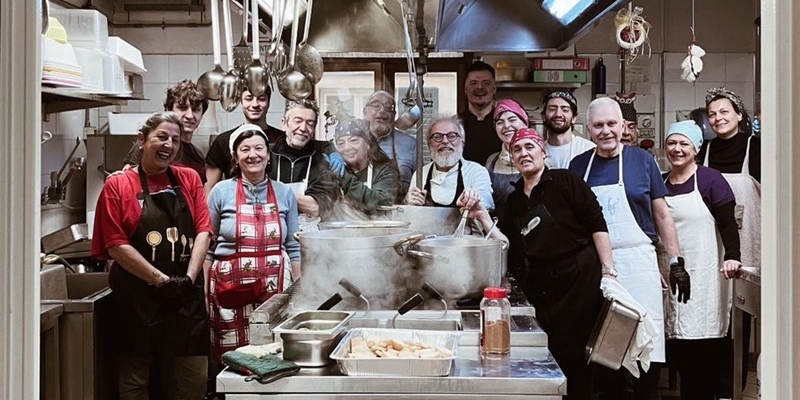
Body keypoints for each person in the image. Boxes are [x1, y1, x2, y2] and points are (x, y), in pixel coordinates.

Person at [470, 127, 611, 400]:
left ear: (543, 152)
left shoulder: (566, 181)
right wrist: (483, 219)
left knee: (578, 356)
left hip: (579, 279)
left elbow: (597, 224)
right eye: (517, 149)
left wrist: (609, 271)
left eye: (529, 147)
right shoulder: (513, 200)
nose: (523, 153)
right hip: (543, 287)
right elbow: (508, 242)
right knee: (551, 353)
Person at [569, 97, 685, 400]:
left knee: (646, 345)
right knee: (607, 349)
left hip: (639, 260)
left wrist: (675, 262)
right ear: (588, 129)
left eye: (611, 124)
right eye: (598, 125)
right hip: (597, 265)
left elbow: (661, 214)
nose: (606, 131)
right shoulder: (578, 166)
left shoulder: (642, 161)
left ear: (623, 126)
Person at [91, 111, 212, 399]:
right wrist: (160, 280)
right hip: (138, 295)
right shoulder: (118, 185)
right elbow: (115, 244)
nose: (169, 144)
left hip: (186, 294)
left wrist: (187, 279)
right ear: (142, 140)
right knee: (136, 378)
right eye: (162, 136)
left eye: (175, 139)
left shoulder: (189, 178)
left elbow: (203, 230)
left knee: (193, 377)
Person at [658, 120, 741, 400]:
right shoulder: (659, 181)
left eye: (684, 144)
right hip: (669, 274)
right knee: (676, 343)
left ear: (696, 148)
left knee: (702, 345)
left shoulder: (710, 179)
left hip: (705, 274)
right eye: (672, 142)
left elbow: (728, 224)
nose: (677, 149)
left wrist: (733, 257)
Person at [205, 123, 300, 362]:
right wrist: (204, 296)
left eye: (259, 148)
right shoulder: (220, 191)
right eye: (245, 149)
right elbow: (207, 247)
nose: (253, 154)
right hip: (229, 293)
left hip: (275, 291)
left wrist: (299, 292)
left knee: (273, 355)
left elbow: (294, 247)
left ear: (268, 156)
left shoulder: (285, 193)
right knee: (233, 361)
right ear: (235, 157)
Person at [698, 86, 761, 399]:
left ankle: (732, 389)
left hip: (747, 243)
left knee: (740, 313)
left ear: (739, 115)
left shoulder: (756, 147)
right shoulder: (705, 151)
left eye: (724, 112)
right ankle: (711, 384)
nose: (717, 118)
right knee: (715, 309)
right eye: (712, 114)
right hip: (713, 241)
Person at [269, 99, 342, 225]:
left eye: (310, 123)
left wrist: (272, 192)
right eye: (297, 121)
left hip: (310, 236)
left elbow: (315, 208)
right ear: (284, 124)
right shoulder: (266, 155)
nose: (303, 128)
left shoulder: (322, 158)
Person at [123, 79, 210, 183]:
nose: (190, 116)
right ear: (169, 110)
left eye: (196, 110)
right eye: (182, 108)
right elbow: (128, 180)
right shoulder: (151, 145)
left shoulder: (198, 156)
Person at [405, 114, 494, 212]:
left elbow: (486, 204)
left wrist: (475, 199)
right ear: (429, 144)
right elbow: (412, 216)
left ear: (462, 142)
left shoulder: (476, 171)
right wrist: (409, 203)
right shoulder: (420, 174)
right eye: (437, 137)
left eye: (452, 136)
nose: (445, 141)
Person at [204, 88, 286, 192]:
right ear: (241, 102)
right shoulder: (223, 140)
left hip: (276, 204)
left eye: (261, 99)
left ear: (268, 102)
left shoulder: (283, 140)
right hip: (233, 204)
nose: (255, 104)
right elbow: (209, 187)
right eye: (249, 98)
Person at [334, 118, 399, 215]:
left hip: (376, 228)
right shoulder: (333, 171)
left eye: (353, 140)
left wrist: (343, 176)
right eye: (341, 143)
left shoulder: (384, 170)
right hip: (342, 228)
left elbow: (379, 202)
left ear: (368, 144)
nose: (347, 147)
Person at [362, 90, 417, 198]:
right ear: (365, 112)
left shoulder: (410, 144)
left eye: (388, 107)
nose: (382, 110)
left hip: (400, 211)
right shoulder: (352, 142)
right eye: (375, 105)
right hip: (359, 212)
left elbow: (421, 185)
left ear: (394, 115)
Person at [485, 99, 528, 219]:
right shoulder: (492, 161)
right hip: (496, 231)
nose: (506, 126)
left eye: (512, 119)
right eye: (500, 122)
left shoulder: (540, 158)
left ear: (525, 123)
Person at [459, 61, 503, 164]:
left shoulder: (505, 124)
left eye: (486, 83)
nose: (479, 87)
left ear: (494, 89)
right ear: (465, 89)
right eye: (473, 83)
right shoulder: (456, 123)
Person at [541, 91, 596, 169]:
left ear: (574, 118)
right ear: (543, 117)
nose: (558, 114)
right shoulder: (537, 152)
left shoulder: (588, 149)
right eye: (552, 109)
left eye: (565, 110)